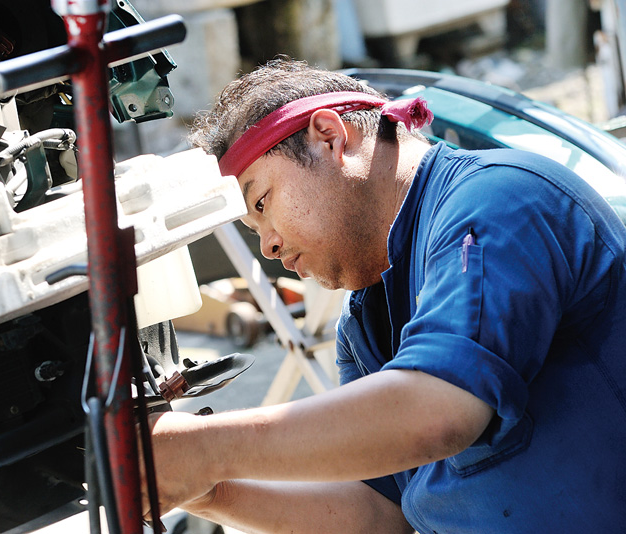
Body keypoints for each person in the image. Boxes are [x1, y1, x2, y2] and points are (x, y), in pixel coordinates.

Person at [145, 58, 626, 533]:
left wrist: (203, 448)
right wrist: (211, 489)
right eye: (254, 229)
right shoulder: (364, 321)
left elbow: (436, 411)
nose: (268, 246)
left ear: (330, 137)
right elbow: (378, 512)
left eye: (263, 203)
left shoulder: (497, 201)